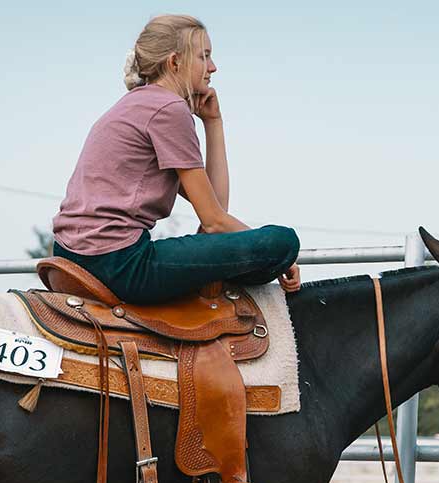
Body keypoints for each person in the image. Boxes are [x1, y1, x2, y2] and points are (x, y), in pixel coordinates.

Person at [51, 15, 301, 305]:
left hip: (73, 253)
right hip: (118, 262)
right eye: (203, 56)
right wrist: (281, 258)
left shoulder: (137, 103)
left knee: (247, 244)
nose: (213, 67)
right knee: (282, 241)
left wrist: (213, 123)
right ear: (174, 62)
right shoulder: (169, 109)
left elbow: (214, 212)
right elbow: (215, 221)